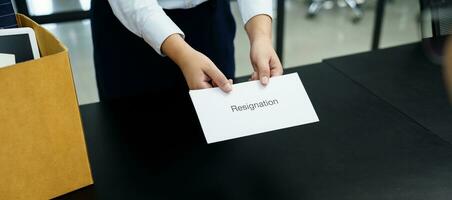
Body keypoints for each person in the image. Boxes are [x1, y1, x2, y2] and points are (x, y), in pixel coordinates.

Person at [90, 0, 283, 100]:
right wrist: (182, 54)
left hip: (209, 19)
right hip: (130, 34)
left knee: (218, 143)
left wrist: (261, 35)